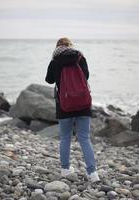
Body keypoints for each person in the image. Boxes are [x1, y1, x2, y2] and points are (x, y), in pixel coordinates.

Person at [45, 37, 100, 182]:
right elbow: (86, 76)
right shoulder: (80, 57)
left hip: (64, 105)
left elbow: (49, 80)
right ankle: (93, 173)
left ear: (57, 47)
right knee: (84, 138)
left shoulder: (55, 60)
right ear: (71, 46)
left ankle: (65, 169)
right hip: (82, 103)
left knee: (65, 138)